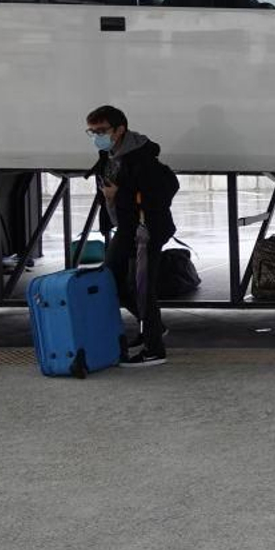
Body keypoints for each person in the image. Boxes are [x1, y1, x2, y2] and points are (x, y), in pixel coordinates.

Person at [86, 105, 178, 367]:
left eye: (101, 131)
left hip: (145, 230)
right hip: (127, 228)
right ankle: (153, 329)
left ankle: (153, 349)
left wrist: (119, 195)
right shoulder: (109, 154)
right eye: (91, 132)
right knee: (111, 279)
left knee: (142, 287)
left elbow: (163, 190)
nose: (96, 137)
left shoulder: (141, 158)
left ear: (120, 130)